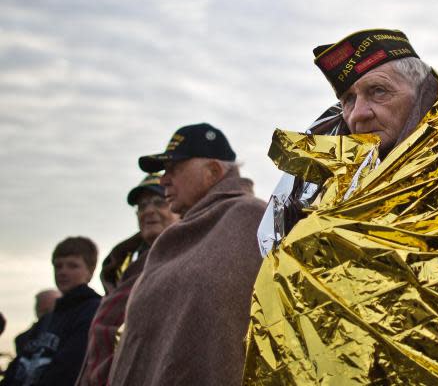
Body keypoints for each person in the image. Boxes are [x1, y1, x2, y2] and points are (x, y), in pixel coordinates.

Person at [243, 29, 438, 385]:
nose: (358, 115)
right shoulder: (321, 198)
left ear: (424, 96)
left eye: (378, 92)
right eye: (348, 100)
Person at [107, 123, 267, 386]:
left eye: (174, 169)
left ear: (212, 171)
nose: (163, 180)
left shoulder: (250, 219)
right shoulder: (179, 234)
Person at [76, 173, 179, 386]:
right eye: (141, 206)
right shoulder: (122, 265)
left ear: (178, 209)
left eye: (160, 202)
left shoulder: (186, 258)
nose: (148, 210)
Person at [2, 237, 101, 386]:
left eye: (73, 266)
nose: (63, 272)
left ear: (90, 271)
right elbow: (17, 366)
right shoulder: (47, 319)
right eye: (58, 266)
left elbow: (68, 369)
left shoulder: (94, 310)